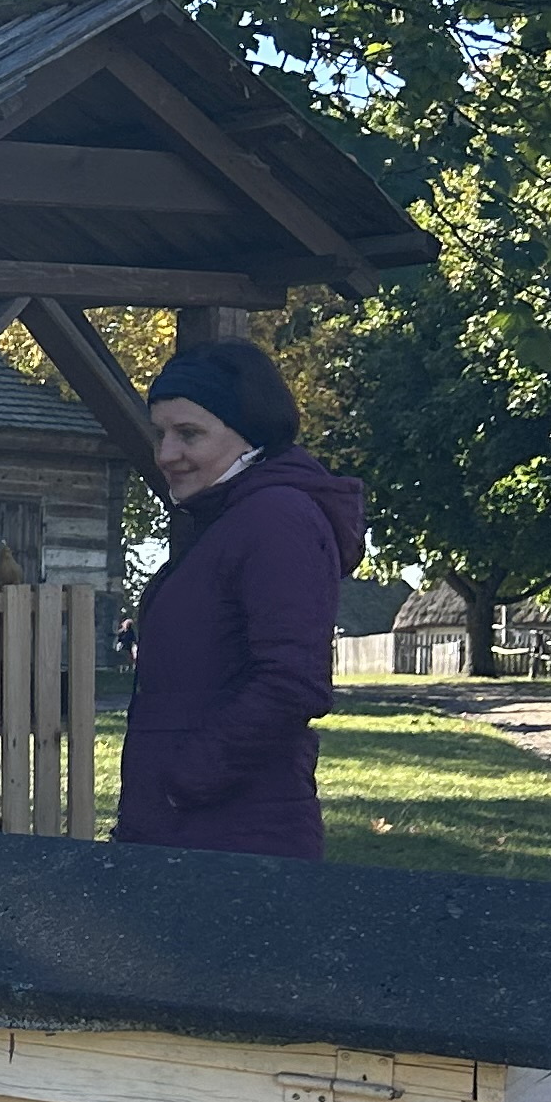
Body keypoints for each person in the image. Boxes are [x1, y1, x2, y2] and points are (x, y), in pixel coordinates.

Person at [116, 337, 366, 860]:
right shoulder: (227, 521)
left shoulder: (277, 520)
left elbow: (293, 680)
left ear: (248, 436)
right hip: (187, 833)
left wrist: (185, 781)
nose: (166, 454)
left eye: (189, 434)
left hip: (237, 838)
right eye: (161, 434)